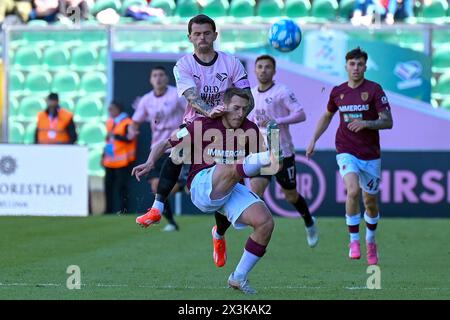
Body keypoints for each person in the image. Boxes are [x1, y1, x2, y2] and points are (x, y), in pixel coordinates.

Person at [132, 88, 280, 294]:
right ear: (224, 106)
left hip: (229, 183)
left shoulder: (250, 129)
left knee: (265, 222)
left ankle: (238, 277)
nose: (240, 113)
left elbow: (268, 169)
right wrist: (149, 162)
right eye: (236, 108)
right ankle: (270, 153)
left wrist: (272, 161)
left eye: (244, 109)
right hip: (202, 186)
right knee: (231, 166)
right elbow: (165, 143)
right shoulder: (201, 124)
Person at [134, 14, 255, 268]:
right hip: (198, 123)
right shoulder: (184, 65)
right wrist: (148, 161)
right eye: (197, 34)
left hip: (227, 126)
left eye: (206, 33)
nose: (202, 38)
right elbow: (190, 96)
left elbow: (248, 97)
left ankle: (219, 234)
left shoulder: (231, 63)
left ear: (215, 35)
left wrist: (231, 112)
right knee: (177, 149)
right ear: (189, 37)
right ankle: (157, 208)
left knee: (228, 186)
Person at [306, 47, 393, 265]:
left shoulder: (374, 90)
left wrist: (366, 123)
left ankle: (370, 239)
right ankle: (353, 240)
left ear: (365, 66)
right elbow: (327, 116)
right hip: (346, 149)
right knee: (352, 190)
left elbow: (388, 121)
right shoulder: (338, 92)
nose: (356, 68)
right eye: (352, 64)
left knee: (370, 201)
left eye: (360, 64)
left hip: (370, 153)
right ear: (346, 66)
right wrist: (313, 139)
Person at [248, 55, 319, 248]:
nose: (263, 70)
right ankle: (261, 227)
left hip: (282, 152)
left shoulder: (282, 91)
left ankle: (309, 221)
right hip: (261, 152)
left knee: (290, 195)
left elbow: (300, 114)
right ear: (255, 70)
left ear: (274, 71)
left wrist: (276, 121)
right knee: (255, 191)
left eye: (267, 67)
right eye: (260, 67)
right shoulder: (251, 94)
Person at [129, 66, 187, 231]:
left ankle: (181, 186)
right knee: (156, 187)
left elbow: (191, 112)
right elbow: (135, 121)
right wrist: (132, 129)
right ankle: (172, 223)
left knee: (167, 188)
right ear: (150, 80)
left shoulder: (176, 94)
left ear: (167, 78)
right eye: (155, 75)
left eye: (161, 75)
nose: (158, 78)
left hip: (177, 145)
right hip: (157, 148)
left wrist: (184, 130)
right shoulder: (146, 100)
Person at [102, 101, 137, 214]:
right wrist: (103, 156)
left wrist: (116, 136)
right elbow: (108, 141)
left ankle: (124, 210)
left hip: (122, 161)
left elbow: (129, 138)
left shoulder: (127, 122)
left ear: (118, 109)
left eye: (112, 109)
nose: (110, 112)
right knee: (108, 187)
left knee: (122, 187)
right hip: (109, 160)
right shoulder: (109, 122)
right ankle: (108, 211)